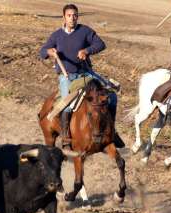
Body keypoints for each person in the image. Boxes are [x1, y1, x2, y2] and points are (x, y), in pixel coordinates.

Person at [40, 4, 123, 149]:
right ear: (64, 17)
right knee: (66, 103)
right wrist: (49, 52)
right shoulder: (57, 35)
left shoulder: (84, 31)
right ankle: (66, 138)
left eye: (75, 15)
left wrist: (87, 50)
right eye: (69, 15)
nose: (72, 18)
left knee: (111, 96)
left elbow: (100, 44)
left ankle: (112, 132)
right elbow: (42, 51)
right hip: (67, 76)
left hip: (86, 73)